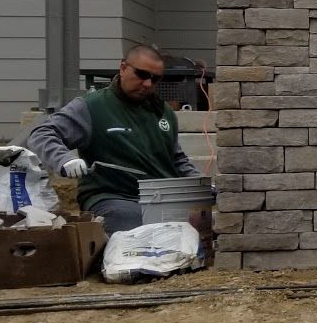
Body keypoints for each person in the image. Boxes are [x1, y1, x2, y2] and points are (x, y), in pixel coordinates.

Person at [28, 44, 199, 234]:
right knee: (135, 224)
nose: (148, 84)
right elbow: (42, 133)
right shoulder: (92, 107)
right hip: (114, 197)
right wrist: (64, 159)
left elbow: (176, 159)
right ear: (123, 68)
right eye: (142, 74)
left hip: (162, 198)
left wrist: (199, 184)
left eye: (155, 79)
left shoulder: (163, 112)